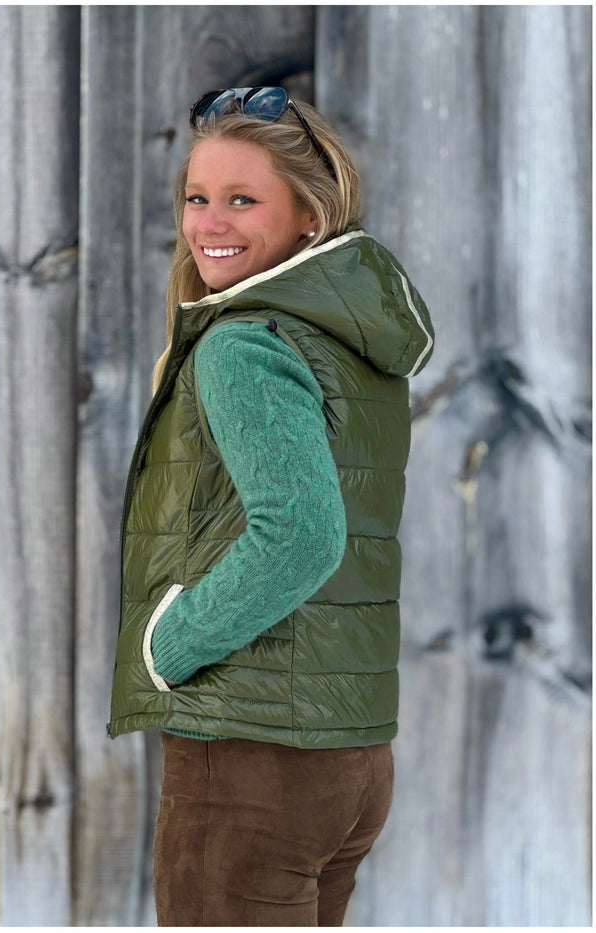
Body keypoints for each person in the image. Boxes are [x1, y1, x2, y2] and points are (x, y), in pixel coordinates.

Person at [106, 87, 435, 926]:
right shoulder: (341, 340)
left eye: (243, 200)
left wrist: (169, 644)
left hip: (254, 759)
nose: (210, 222)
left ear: (310, 218)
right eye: (198, 197)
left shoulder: (243, 345)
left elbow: (303, 535)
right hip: (351, 755)